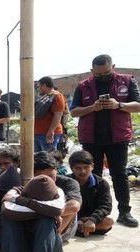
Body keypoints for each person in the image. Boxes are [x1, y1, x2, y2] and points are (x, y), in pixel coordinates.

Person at [70, 54, 140, 227]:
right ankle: (92, 213)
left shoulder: (127, 81)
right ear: (91, 71)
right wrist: (92, 107)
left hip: (118, 137)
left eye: (106, 72)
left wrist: (119, 105)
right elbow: (74, 111)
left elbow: (138, 105)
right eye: (98, 74)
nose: (102, 76)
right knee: (92, 176)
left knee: (119, 174)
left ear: (113, 67)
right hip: (91, 138)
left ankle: (124, 211)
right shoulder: (83, 86)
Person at [33, 151, 81, 242]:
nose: (48, 180)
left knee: (68, 204)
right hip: (37, 223)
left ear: (56, 169)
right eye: (42, 177)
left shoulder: (69, 183)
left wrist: (51, 213)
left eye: (51, 175)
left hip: (63, 228)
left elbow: (74, 206)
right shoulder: (27, 182)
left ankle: (53, 239)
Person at [67, 150, 114, 237]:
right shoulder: (65, 182)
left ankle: (78, 229)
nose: (83, 171)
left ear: (92, 166)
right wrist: (76, 218)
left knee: (109, 221)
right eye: (78, 168)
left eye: (86, 167)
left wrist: (92, 219)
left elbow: (106, 206)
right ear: (71, 168)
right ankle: (80, 228)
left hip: (91, 218)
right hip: (71, 218)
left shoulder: (101, 183)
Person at [33, 76, 65, 152]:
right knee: (37, 159)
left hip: (47, 134)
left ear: (44, 85)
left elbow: (58, 115)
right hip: (38, 133)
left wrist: (51, 131)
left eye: (39, 87)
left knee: (48, 159)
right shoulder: (45, 97)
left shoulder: (57, 96)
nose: (38, 89)